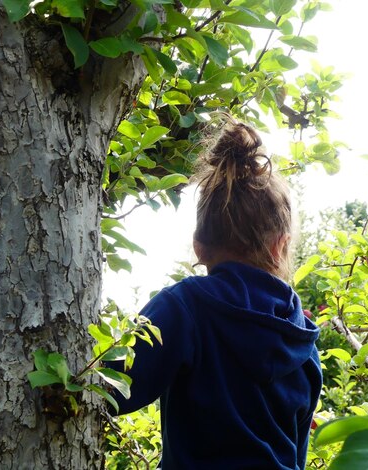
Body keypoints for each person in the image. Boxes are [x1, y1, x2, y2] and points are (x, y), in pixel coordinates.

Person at [111, 119, 322, 470]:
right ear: (281, 246)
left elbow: (109, 389)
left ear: (200, 248)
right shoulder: (302, 343)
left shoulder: (185, 308)